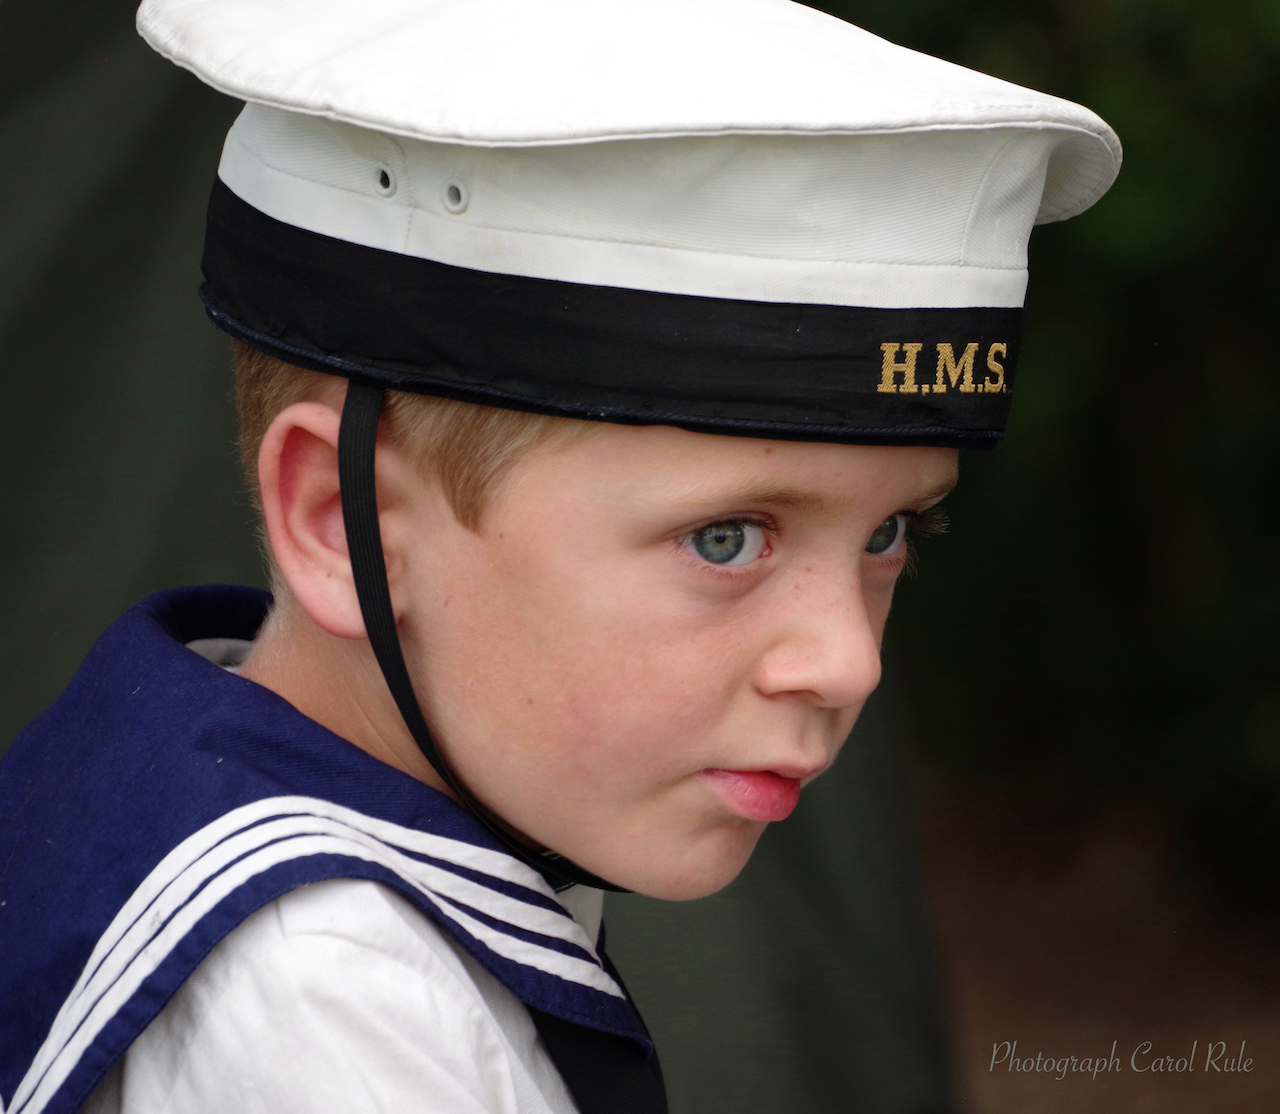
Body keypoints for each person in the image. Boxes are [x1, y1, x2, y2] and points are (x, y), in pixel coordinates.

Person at [0, 1, 1120, 1112]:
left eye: (887, 533)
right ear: (343, 522)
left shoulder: (160, 773)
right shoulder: (330, 1010)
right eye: (723, 538)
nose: (843, 663)